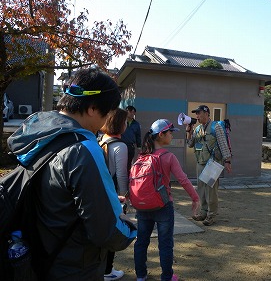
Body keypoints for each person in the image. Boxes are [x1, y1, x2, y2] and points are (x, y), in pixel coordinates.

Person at [7, 68, 137, 280]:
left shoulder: (41, 133)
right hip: (74, 264)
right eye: (108, 112)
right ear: (93, 108)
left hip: (39, 253)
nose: (107, 120)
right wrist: (131, 228)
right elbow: (106, 230)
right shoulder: (84, 148)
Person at [132, 119, 200, 281]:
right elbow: (183, 179)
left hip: (142, 206)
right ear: (161, 135)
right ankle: (167, 277)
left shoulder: (143, 156)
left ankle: (141, 275)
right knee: (165, 244)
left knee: (141, 242)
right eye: (170, 132)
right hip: (163, 205)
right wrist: (195, 198)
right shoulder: (168, 157)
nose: (171, 135)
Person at [186, 105, 232, 226]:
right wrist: (189, 132)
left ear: (206, 113)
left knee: (211, 190)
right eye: (196, 114)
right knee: (201, 189)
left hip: (213, 162)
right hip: (200, 162)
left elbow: (223, 144)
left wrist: (227, 160)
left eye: (199, 113)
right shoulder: (197, 129)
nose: (197, 116)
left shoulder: (216, 127)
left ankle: (212, 215)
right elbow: (190, 144)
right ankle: (203, 212)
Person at [99, 108, 130, 280]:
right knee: (113, 232)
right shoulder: (120, 146)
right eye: (125, 122)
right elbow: (121, 175)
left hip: (99, 193)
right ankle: (108, 271)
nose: (126, 125)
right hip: (114, 196)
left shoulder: (100, 140)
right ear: (119, 124)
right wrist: (124, 197)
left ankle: (101, 268)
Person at [121, 105, 141, 170]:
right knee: (121, 163)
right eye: (131, 112)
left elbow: (138, 135)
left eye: (134, 112)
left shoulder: (136, 124)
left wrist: (139, 146)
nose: (132, 114)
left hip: (130, 146)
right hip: (121, 144)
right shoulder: (121, 122)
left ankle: (128, 177)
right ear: (127, 112)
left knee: (129, 163)